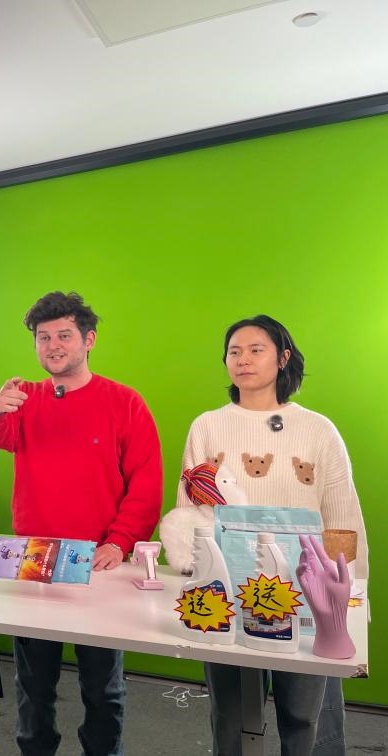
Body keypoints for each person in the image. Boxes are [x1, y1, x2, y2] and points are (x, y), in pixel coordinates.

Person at [0, 291, 163, 756]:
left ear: (89, 340)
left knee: (103, 686)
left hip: (99, 561)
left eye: (64, 335)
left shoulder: (125, 402)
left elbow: (146, 483)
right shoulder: (25, 398)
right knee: (33, 685)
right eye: (43, 338)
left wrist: (120, 542)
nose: (53, 345)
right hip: (36, 559)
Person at [176, 314, 367, 755]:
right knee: (230, 714)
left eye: (255, 350)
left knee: (305, 716)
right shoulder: (207, 425)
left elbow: (342, 514)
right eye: (234, 351)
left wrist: (349, 593)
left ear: (283, 358)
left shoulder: (318, 429)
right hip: (226, 588)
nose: (242, 359)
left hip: (306, 591)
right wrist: (193, 574)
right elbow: (191, 510)